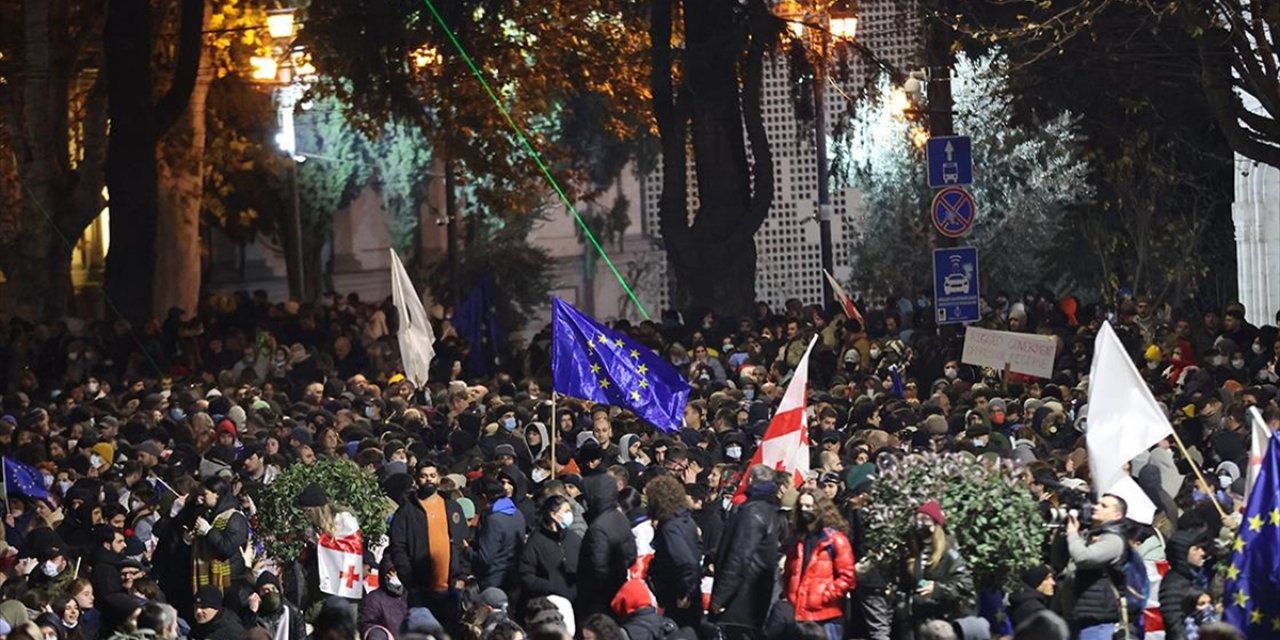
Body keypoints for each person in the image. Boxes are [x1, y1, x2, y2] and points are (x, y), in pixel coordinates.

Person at [387, 461, 469, 625]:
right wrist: (409, 579)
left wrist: (462, 576)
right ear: (417, 479)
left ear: (438, 477)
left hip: (451, 589)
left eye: (432, 476)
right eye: (424, 476)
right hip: (421, 590)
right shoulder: (406, 511)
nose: (428, 480)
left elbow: (463, 544)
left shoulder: (452, 507)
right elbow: (398, 547)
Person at [710, 464, 783, 640]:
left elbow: (739, 557)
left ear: (750, 480)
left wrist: (720, 597)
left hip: (741, 600)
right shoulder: (771, 510)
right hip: (757, 596)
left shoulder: (752, 512)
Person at [784, 490, 856, 640]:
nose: (804, 510)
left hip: (827, 614)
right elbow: (789, 571)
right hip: (800, 611)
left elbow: (848, 577)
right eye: (801, 506)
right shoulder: (798, 539)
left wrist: (824, 596)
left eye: (809, 506)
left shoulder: (835, 539)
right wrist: (790, 594)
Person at [898, 501, 974, 632]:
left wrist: (938, 590)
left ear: (936, 524)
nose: (920, 524)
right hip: (919, 621)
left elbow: (966, 585)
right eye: (917, 519)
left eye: (925, 519)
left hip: (942, 621)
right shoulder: (916, 554)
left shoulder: (949, 555)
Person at [1066, 494, 1130, 640]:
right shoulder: (1094, 535)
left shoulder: (1114, 540)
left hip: (1100, 621)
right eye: (1097, 503)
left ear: (1117, 515)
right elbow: (1061, 560)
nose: (1096, 507)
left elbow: (1083, 557)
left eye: (1104, 506)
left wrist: (1072, 534)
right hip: (1082, 616)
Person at [644, 475, 704, 631]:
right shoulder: (686, 520)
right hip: (689, 592)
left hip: (678, 596)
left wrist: (685, 593)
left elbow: (687, 562)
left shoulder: (670, 527)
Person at [576, 477, 637, 619]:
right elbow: (631, 555)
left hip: (598, 598)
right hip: (618, 589)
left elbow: (598, 567)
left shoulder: (598, 527)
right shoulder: (620, 517)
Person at [518, 495, 582, 606]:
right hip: (549, 604)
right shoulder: (536, 541)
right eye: (566, 511)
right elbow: (526, 574)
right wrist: (550, 587)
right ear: (553, 515)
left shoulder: (574, 538)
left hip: (577, 603)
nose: (570, 514)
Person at [1159, 529, 1209, 640]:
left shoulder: (1194, 578)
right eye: (1196, 549)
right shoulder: (1173, 584)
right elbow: (1174, 624)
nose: (1202, 553)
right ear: (1182, 552)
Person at [358, 557, 406, 637]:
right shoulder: (374, 598)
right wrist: (377, 634)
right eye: (392, 572)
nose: (396, 575)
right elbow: (366, 623)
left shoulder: (409, 596)